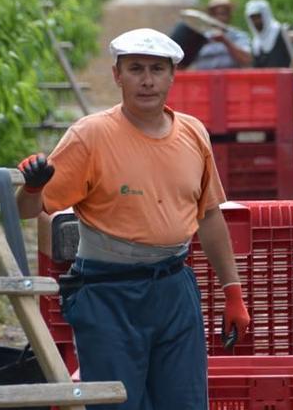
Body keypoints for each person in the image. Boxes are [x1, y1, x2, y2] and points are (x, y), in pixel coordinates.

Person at [15, 28, 251, 410]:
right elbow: (27, 212)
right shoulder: (91, 136)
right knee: (117, 403)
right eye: (135, 69)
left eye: (157, 70)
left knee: (185, 401)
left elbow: (209, 217)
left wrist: (232, 292)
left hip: (174, 288)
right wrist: (30, 187)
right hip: (109, 294)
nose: (146, 80)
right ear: (117, 75)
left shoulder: (193, 134)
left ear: (172, 75)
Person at [190, 0, 252, 69]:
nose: (218, 18)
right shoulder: (201, 36)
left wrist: (225, 41)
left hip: (232, 79)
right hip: (204, 79)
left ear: (229, 16)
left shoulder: (238, 36)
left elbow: (247, 60)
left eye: (222, 14)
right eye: (215, 14)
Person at [244, 0, 293, 67]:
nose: (256, 22)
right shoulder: (256, 42)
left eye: (258, 17)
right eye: (253, 18)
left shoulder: (282, 32)